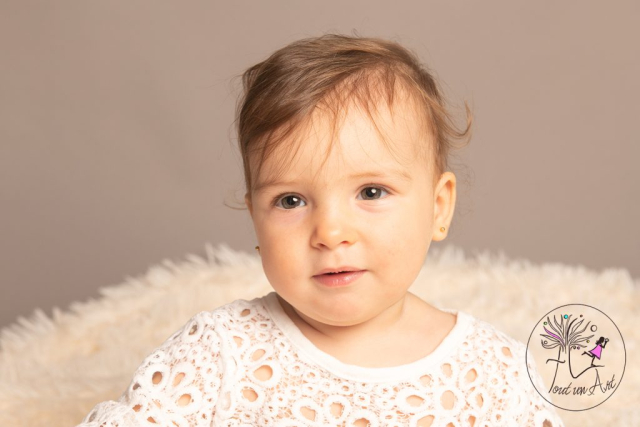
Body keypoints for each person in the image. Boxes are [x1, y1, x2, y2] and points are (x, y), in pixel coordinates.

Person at [77, 32, 566, 426]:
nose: (330, 232)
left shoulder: (496, 373)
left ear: (438, 208)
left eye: (371, 192)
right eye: (290, 201)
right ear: (255, 219)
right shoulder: (222, 352)